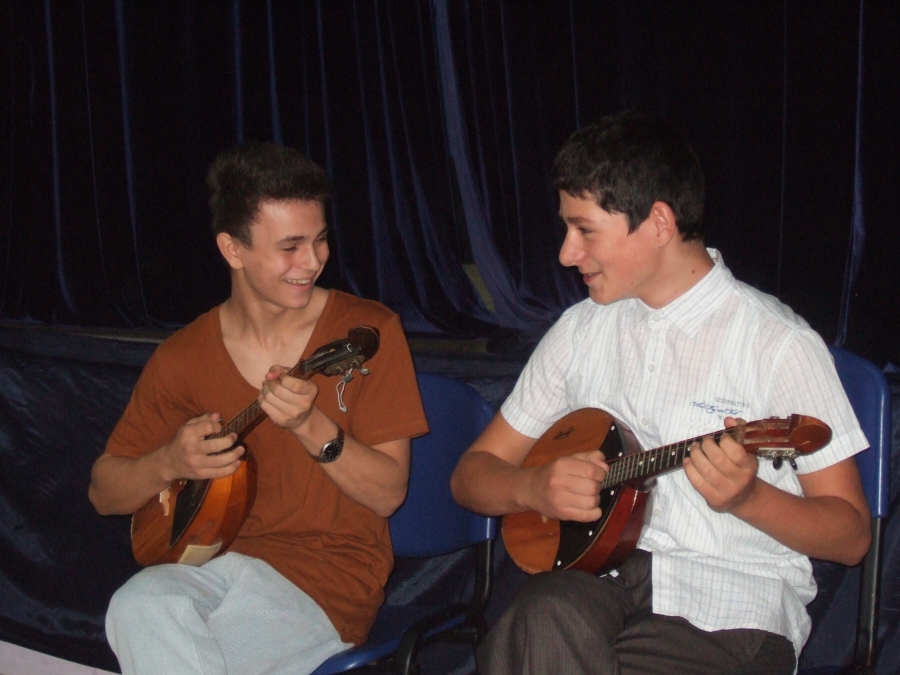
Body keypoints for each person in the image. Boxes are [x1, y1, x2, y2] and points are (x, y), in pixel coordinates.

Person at [450, 111, 872, 675]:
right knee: (537, 618)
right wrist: (532, 487)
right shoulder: (580, 330)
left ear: (658, 222)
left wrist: (748, 498)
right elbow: (470, 476)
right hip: (599, 580)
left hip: (732, 604)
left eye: (585, 230)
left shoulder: (778, 343)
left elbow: (851, 536)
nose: (566, 254)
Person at [88, 142, 429, 675]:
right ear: (233, 249)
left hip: (324, 584)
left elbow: (388, 494)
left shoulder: (368, 332)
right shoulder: (182, 356)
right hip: (213, 568)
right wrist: (168, 462)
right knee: (136, 604)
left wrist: (310, 425)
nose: (313, 261)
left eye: (319, 239)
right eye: (290, 247)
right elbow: (103, 492)